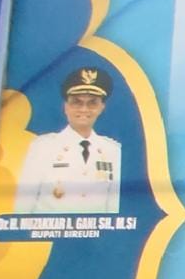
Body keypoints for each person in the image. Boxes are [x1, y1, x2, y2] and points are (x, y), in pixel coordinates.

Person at [14, 67, 121, 214]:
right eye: (77, 102)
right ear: (66, 107)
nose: (84, 109)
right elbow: (24, 204)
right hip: (49, 228)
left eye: (92, 103)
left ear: (101, 107)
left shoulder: (112, 151)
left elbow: (113, 208)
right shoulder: (43, 147)